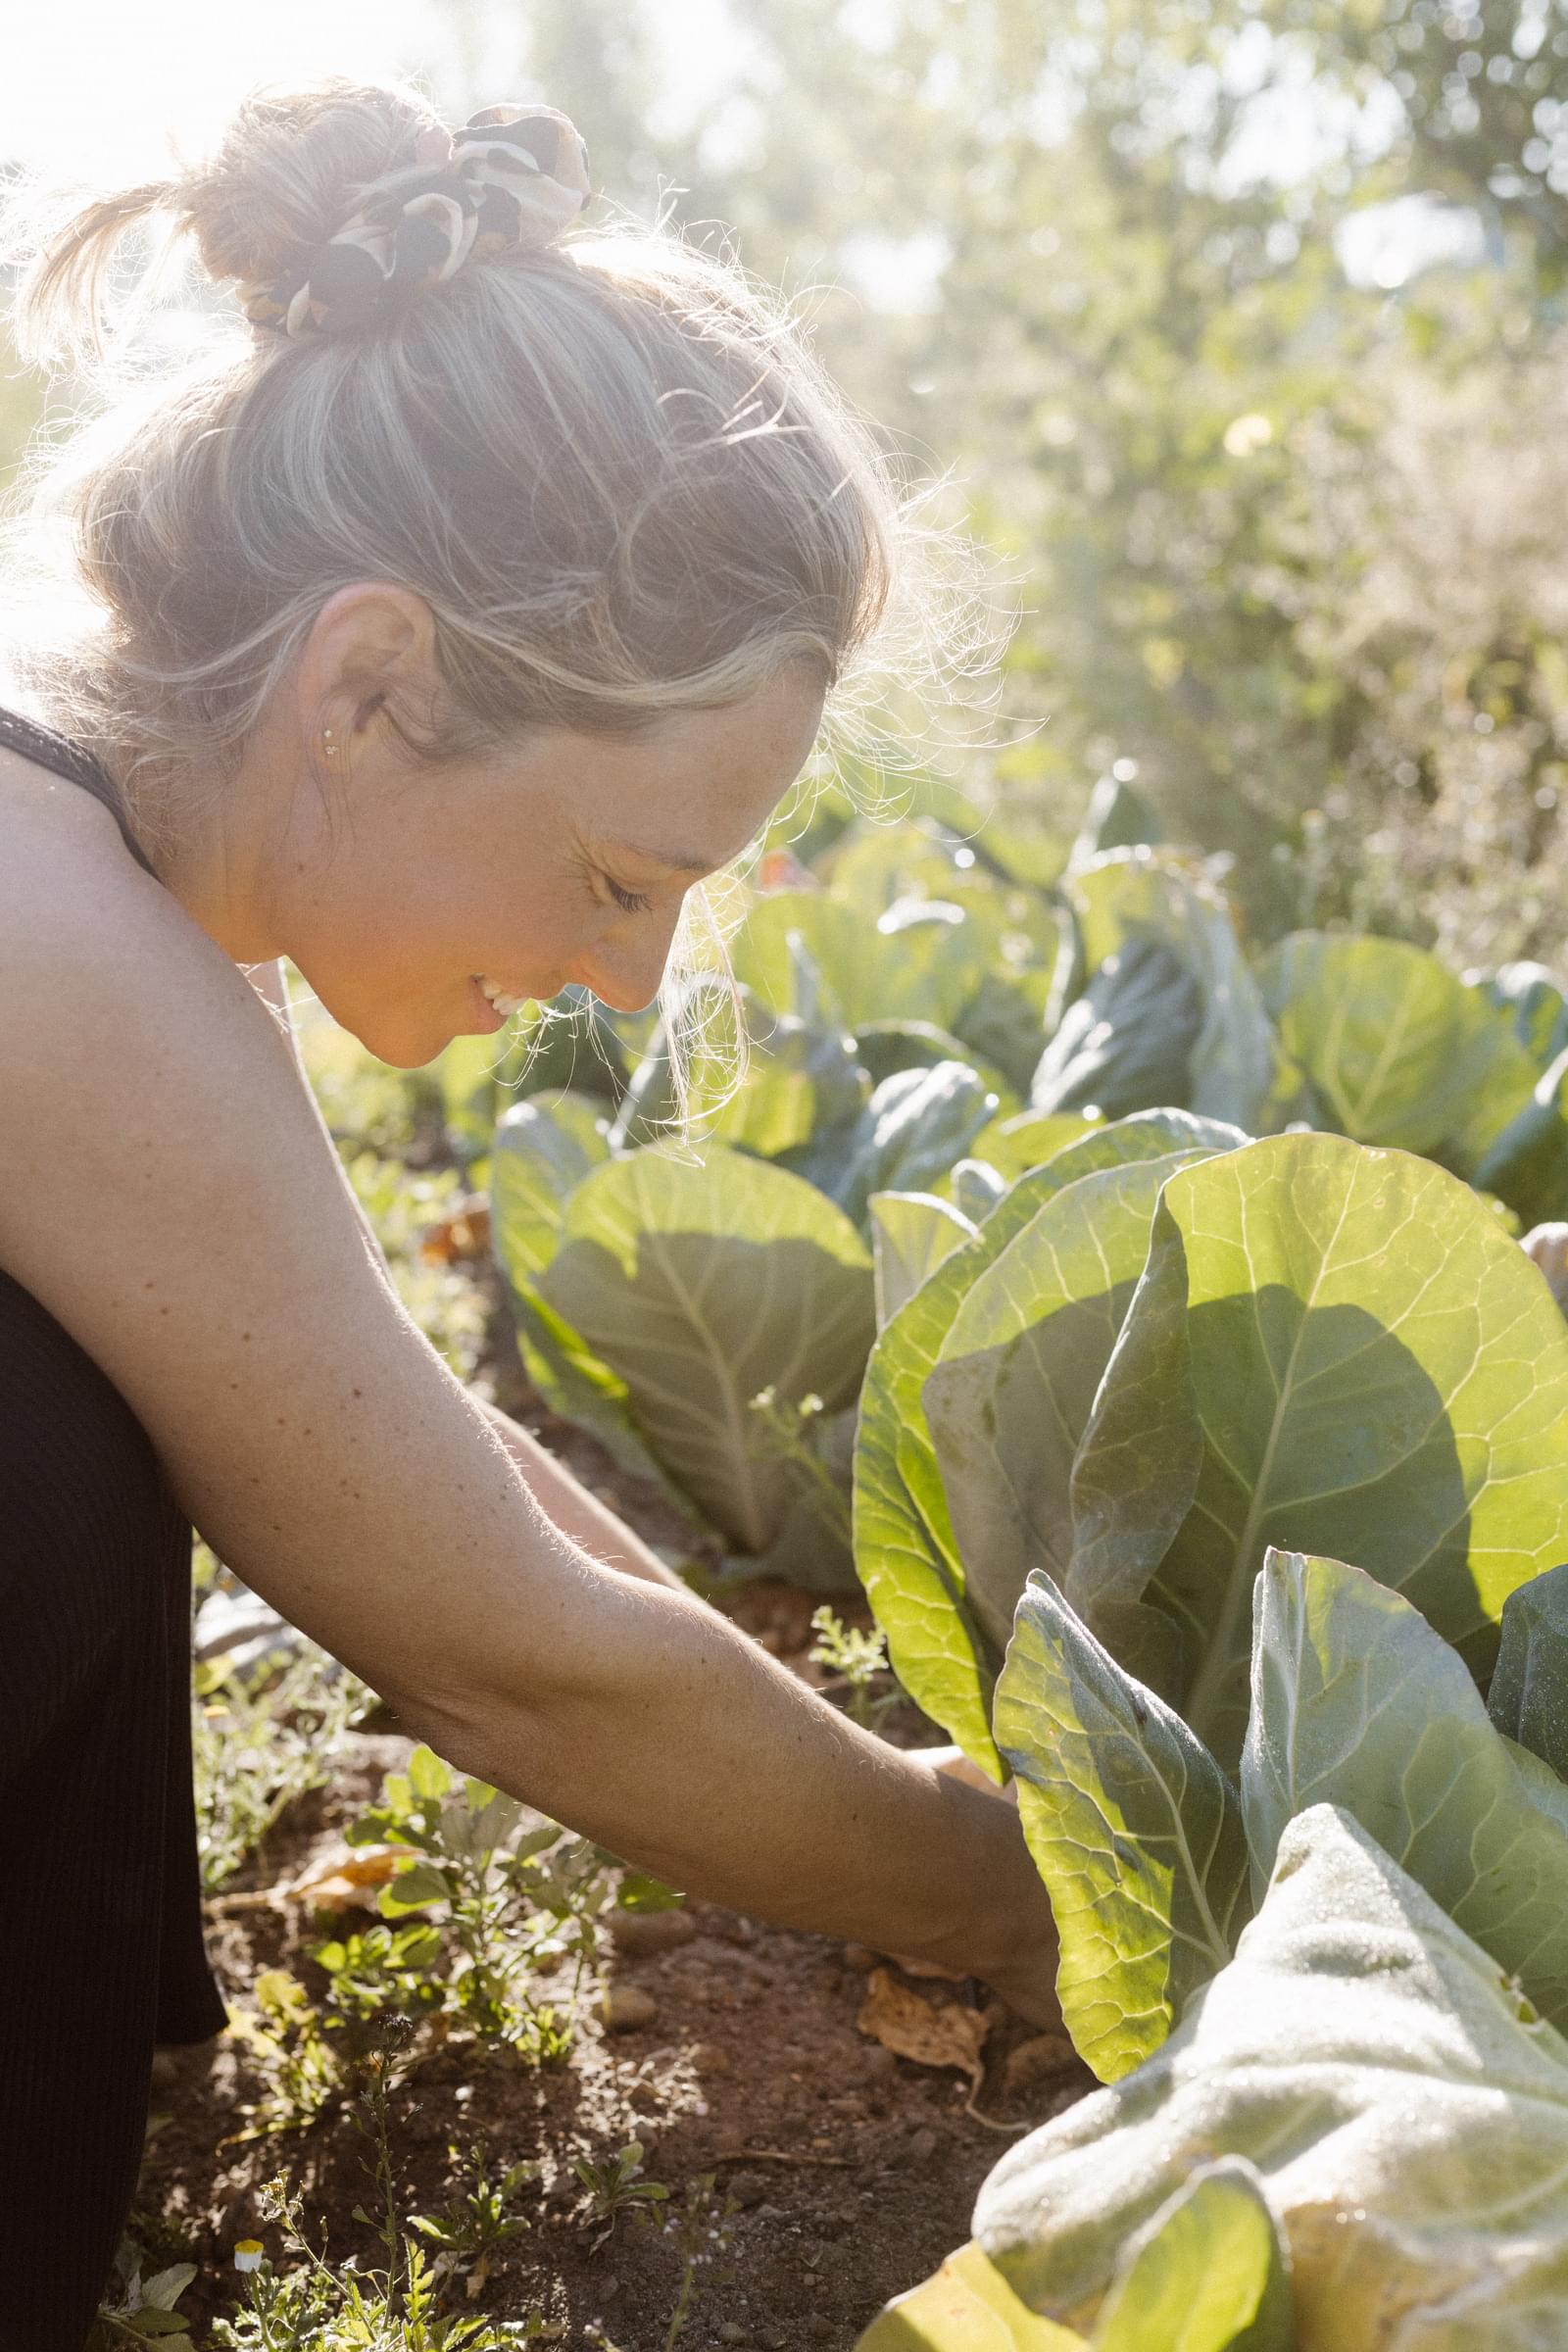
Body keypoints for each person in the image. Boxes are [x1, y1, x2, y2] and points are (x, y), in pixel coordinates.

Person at [0, 77, 1058, 2345]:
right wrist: (1011, 1897)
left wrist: (873, 1785)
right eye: (616, 876)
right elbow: (499, 1653)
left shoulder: (81, 901)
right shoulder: (39, 942)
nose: (624, 981)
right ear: (367, 684)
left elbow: (384, 1430)